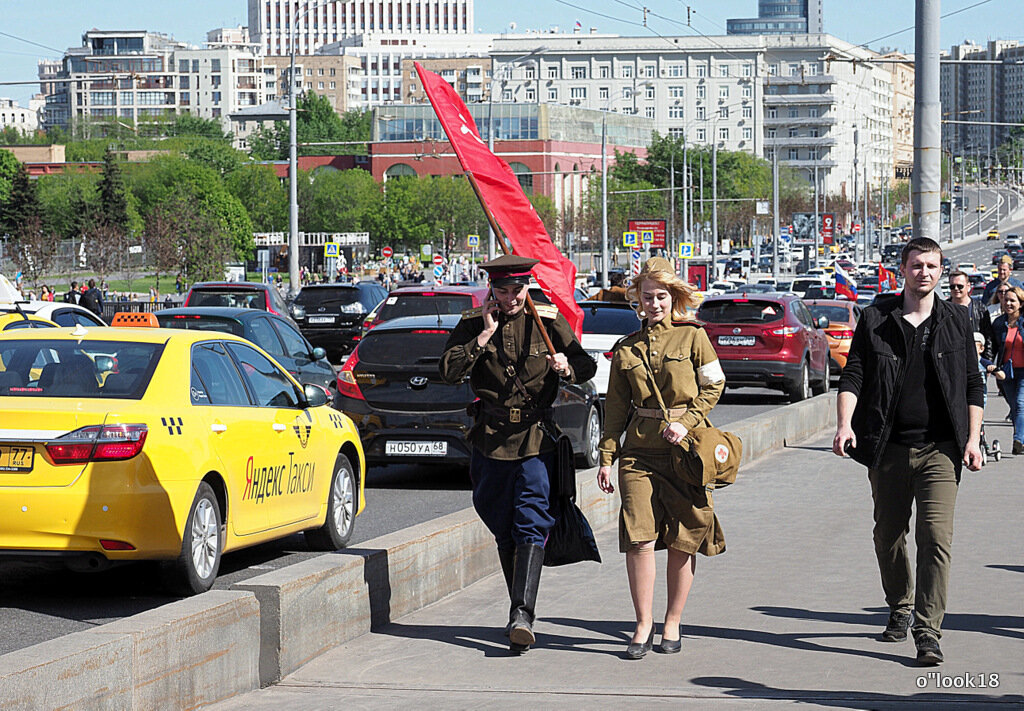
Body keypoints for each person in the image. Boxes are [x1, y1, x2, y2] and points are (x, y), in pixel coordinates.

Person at [833, 237, 984, 666]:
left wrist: (972, 439)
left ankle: (927, 630)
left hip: (941, 448)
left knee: (935, 537)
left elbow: (973, 384)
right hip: (888, 447)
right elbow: (854, 375)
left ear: (941, 270)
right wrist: (845, 425)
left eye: (933, 266)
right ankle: (900, 604)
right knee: (889, 534)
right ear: (903, 269)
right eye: (917, 265)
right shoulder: (877, 317)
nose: (925, 273)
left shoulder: (957, 318)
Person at [439, 254, 596, 655]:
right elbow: (449, 370)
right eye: (503, 290)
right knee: (501, 521)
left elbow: (585, 363)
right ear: (492, 288)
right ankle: (518, 612)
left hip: (534, 437)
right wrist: (483, 338)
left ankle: (521, 613)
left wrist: (566, 366)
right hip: (491, 437)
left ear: (528, 287)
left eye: (517, 290)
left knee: (532, 515)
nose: (510, 298)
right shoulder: (475, 321)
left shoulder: (544, 318)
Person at [596, 257, 726, 659]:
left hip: (685, 452)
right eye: (647, 296)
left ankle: (672, 620)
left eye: (662, 296)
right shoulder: (626, 348)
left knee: (682, 540)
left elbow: (714, 386)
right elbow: (616, 407)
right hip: (638, 454)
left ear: (674, 298)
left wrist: (686, 422)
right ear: (637, 298)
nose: (654, 304)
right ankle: (642, 623)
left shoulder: (693, 339)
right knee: (639, 539)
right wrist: (606, 456)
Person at [990, 285, 1024, 454]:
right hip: (1006, 373)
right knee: (1015, 407)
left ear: (1021, 303)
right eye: (1006, 300)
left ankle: (1018, 440)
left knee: (1020, 404)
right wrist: (992, 366)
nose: (1008, 303)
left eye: (1013, 300)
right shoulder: (999, 323)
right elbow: (993, 347)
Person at [947, 270, 993, 358]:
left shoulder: (980, 309)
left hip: (975, 358)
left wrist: (987, 361)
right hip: (952, 359)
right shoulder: (943, 309)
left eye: (960, 286)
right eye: (952, 286)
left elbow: (989, 338)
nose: (956, 289)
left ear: (968, 286)